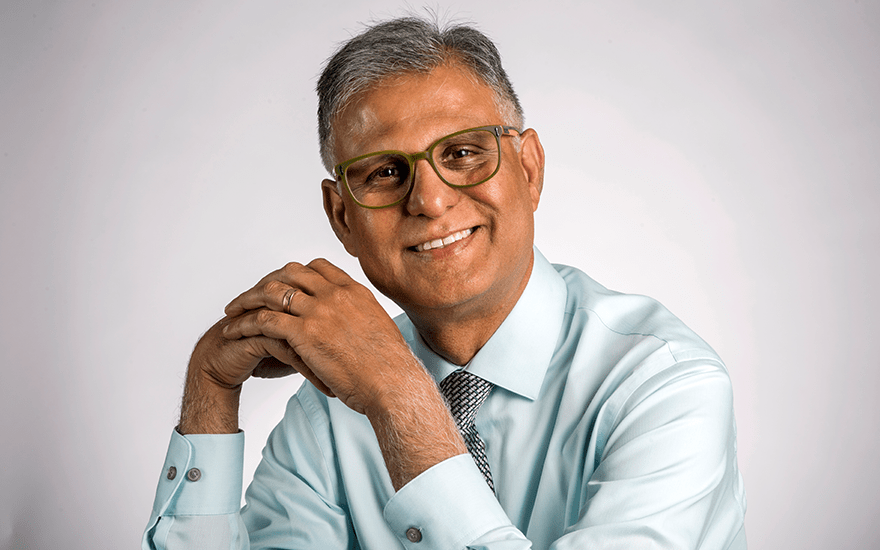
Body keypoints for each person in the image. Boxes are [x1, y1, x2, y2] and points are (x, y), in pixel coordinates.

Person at [142, 15, 747, 550]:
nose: (429, 201)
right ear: (341, 218)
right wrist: (211, 391)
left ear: (529, 168)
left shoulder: (664, 383)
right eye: (383, 172)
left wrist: (399, 398)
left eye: (461, 153)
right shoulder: (327, 413)